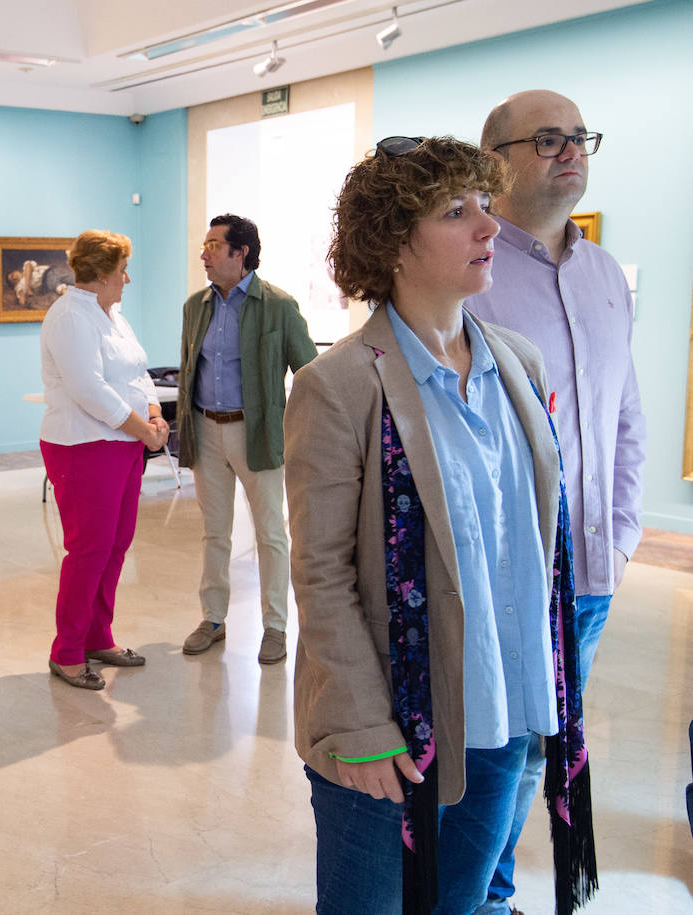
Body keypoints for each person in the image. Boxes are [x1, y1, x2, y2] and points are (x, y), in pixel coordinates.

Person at [286, 136, 596, 914]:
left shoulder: (518, 363)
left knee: (460, 906)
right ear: (392, 242)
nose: (488, 227)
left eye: (487, 205)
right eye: (456, 212)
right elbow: (320, 572)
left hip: (507, 709)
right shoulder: (339, 386)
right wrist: (359, 724)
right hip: (393, 729)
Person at [469, 89, 646, 915]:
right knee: (492, 750)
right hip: (504, 571)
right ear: (495, 161)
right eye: (547, 139)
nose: (571, 150)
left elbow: (627, 415)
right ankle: (482, 896)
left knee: (544, 749)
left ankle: (493, 892)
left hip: (590, 572)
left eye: (579, 137)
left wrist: (625, 529)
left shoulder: (606, 273)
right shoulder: (467, 269)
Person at [176, 214, 317, 664]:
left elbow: (311, 375)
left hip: (256, 433)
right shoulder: (195, 305)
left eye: (215, 245)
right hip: (205, 428)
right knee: (214, 533)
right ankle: (213, 618)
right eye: (205, 244)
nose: (205, 253)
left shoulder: (278, 305)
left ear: (241, 253)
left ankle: (275, 626)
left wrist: (298, 434)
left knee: (271, 533)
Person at [38, 230, 165, 690]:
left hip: (123, 445)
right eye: (121, 271)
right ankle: (67, 651)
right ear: (100, 273)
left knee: (115, 545)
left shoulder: (113, 315)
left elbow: (138, 372)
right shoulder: (70, 317)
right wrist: (143, 430)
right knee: (88, 549)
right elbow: (88, 389)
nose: (127, 279)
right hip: (84, 446)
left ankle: (98, 635)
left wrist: (153, 411)